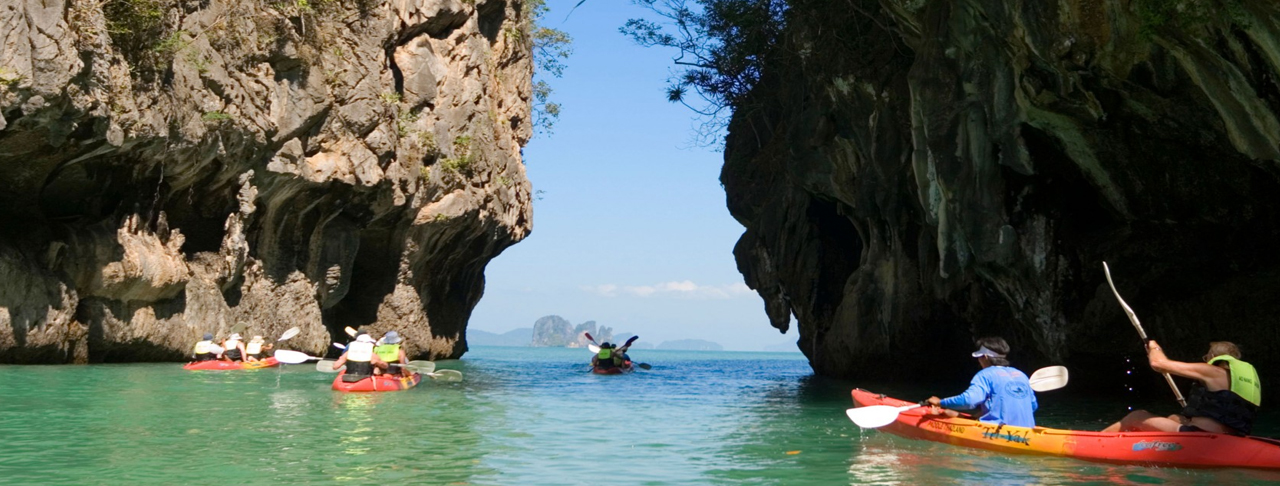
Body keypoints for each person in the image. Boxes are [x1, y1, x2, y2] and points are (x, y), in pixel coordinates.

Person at [1102, 340, 1260, 435]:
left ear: (1212, 357)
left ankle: (1095, 440)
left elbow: (1158, 364)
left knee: (1137, 415)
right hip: (1233, 436)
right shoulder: (1248, 378)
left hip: (1204, 437)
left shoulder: (1214, 371)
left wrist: (1154, 347)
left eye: (1206, 357)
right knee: (1174, 418)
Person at [926, 337, 1038, 428]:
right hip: (1027, 429)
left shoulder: (985, 374)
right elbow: (1033, 405)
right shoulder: (1021, 375)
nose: (979, 361)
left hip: (999, 431)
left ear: (984, 357)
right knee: (952, 414)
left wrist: (941, 402)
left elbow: (969, 401)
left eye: (979, 357)